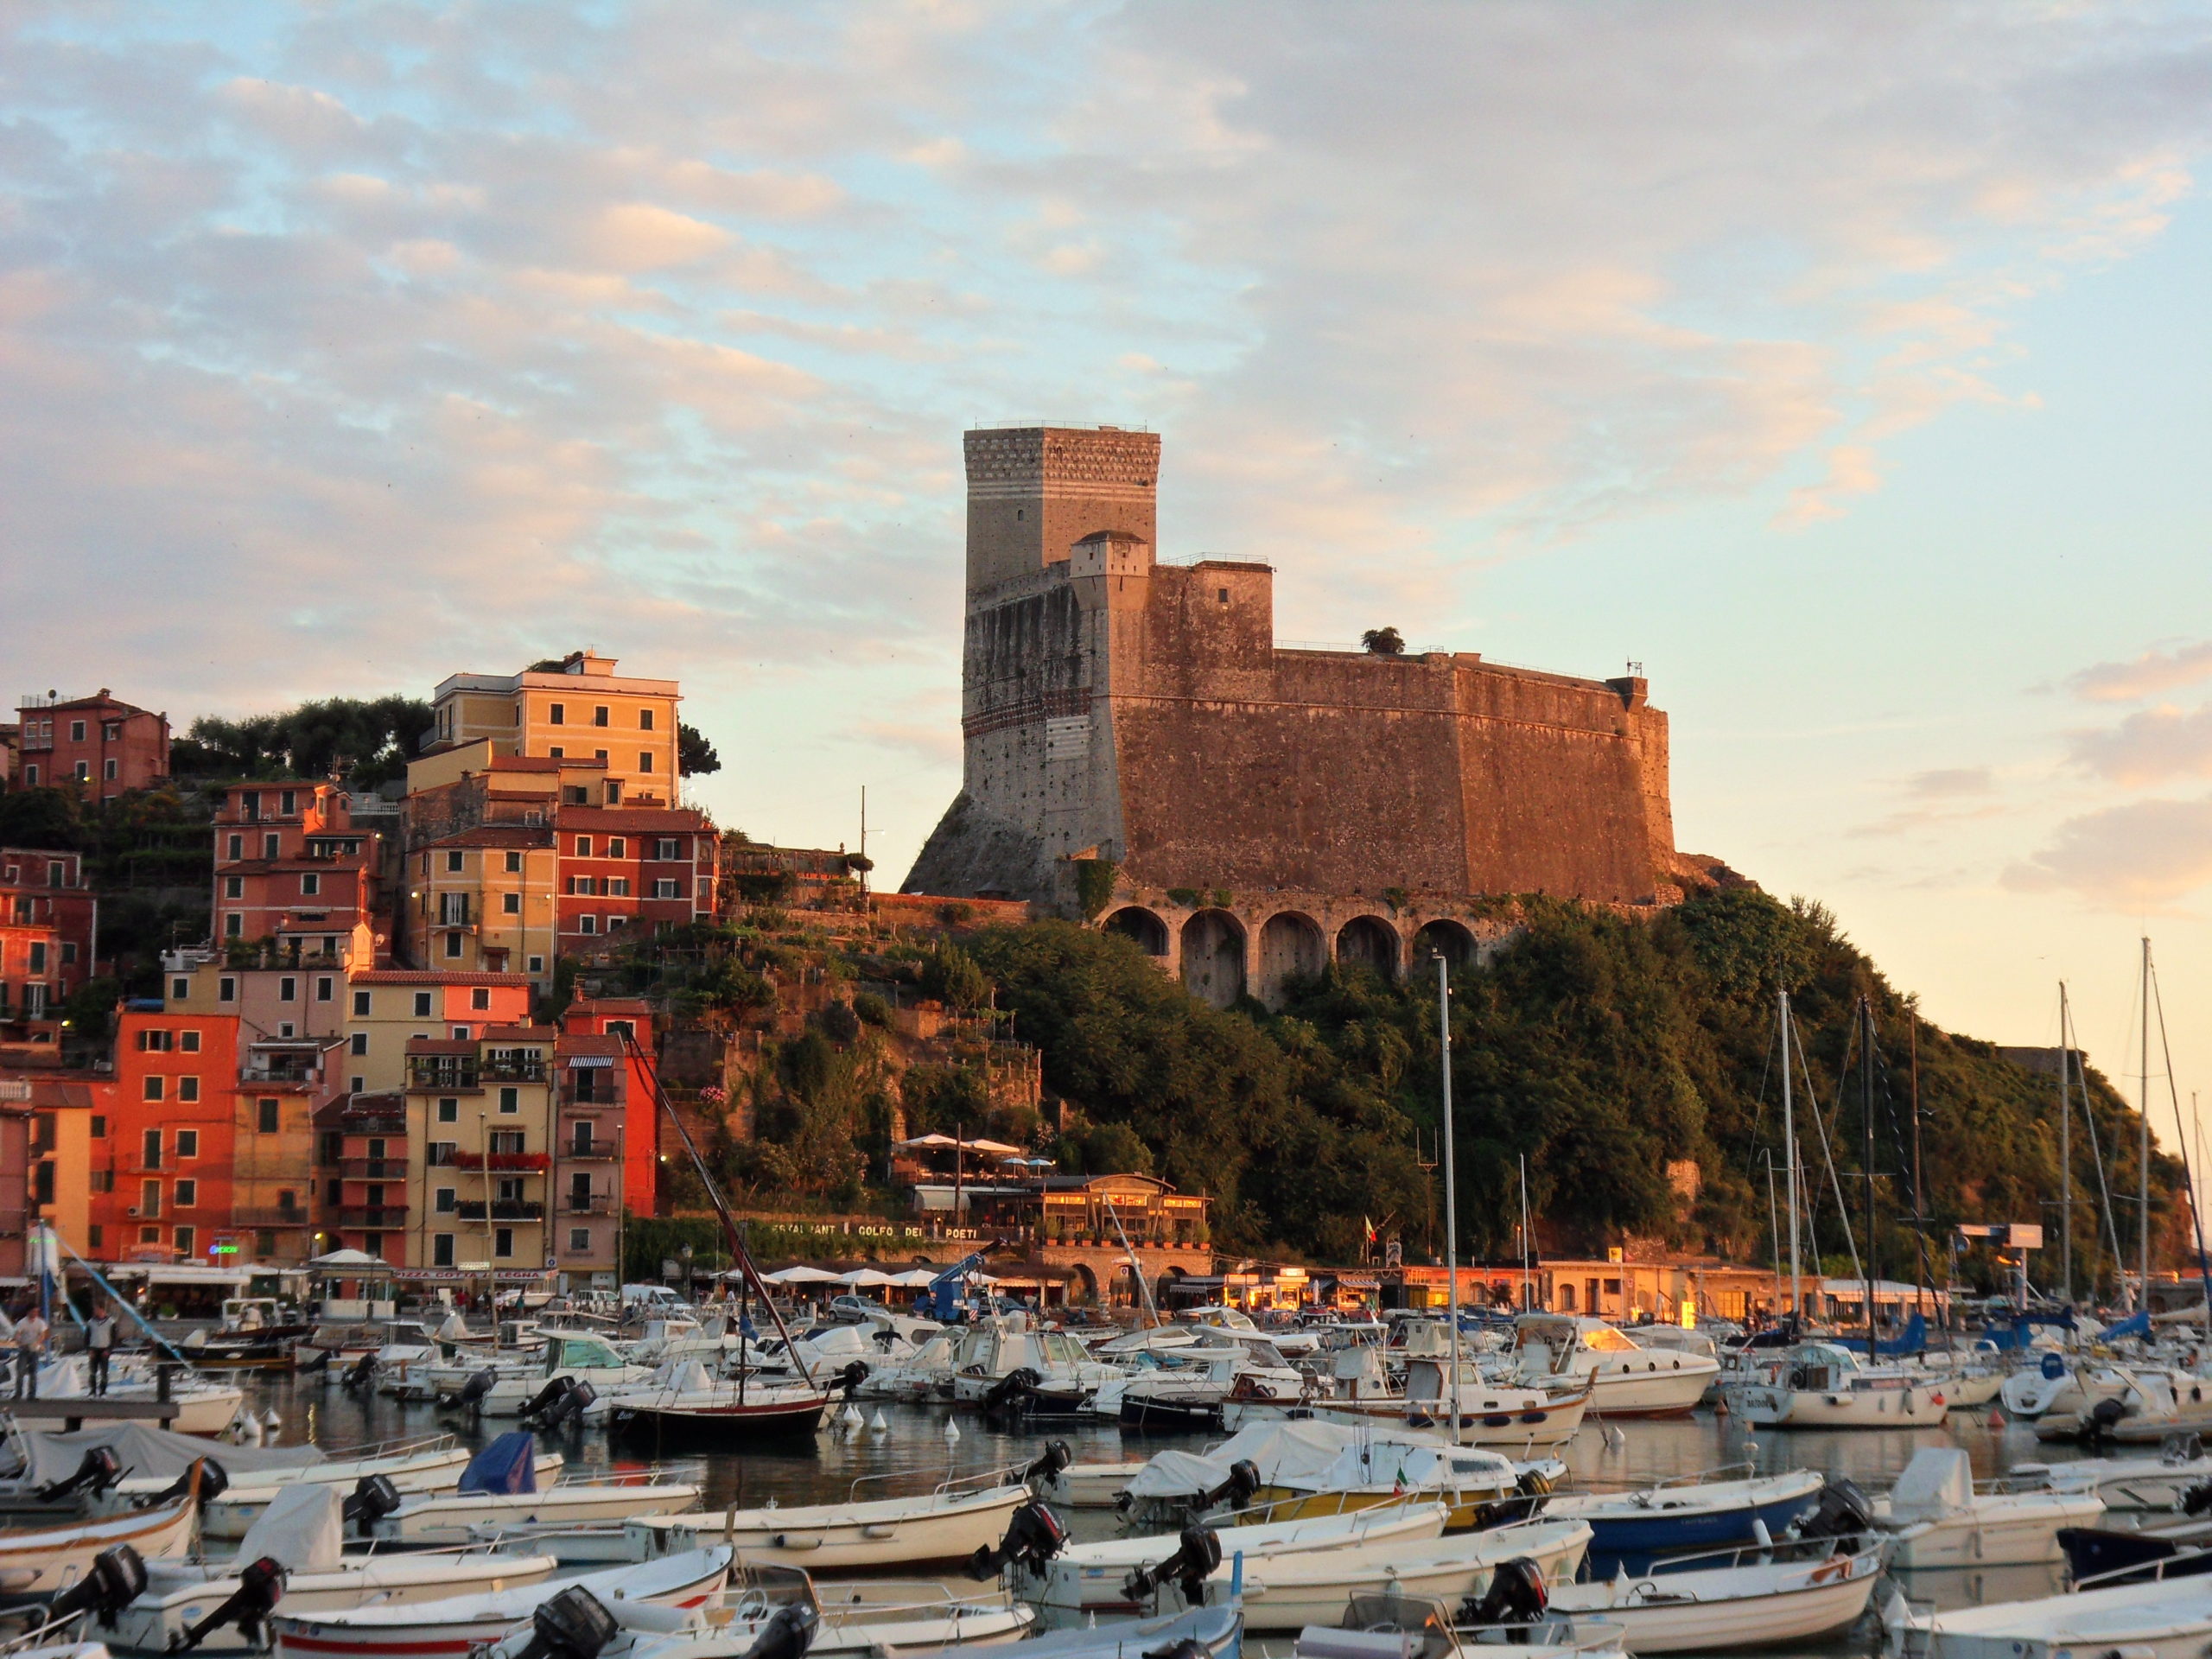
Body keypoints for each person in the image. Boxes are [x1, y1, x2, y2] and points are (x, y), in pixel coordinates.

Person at [13, 1305, 48, 1400]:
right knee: (20, 1371)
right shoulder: (22, 1322)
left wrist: (37, 1343)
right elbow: (17, 1334)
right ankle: (18, 1393)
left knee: (34, 1373)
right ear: (28, 1312)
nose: (35, 1314)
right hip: (24, 1348)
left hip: (34, 1349)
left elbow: (42, 1335)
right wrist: (19, 1341)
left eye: (36, 1312)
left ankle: (32, 1395)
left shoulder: (40, 1322)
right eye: (33, 1311)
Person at [85, 1301, 116, 1397]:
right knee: (92, 1372)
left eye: (97, 1309)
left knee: (104, 1372)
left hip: (104, 1349)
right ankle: (92, 1391)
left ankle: (103, 1391)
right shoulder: (91, 1322)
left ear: (102, 1310)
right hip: (94, 1348)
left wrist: (109, 1350)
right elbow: (87, 1337)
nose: (95, 1311)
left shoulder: (111, 1322)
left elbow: (114, 1337)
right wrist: (89, 1349)